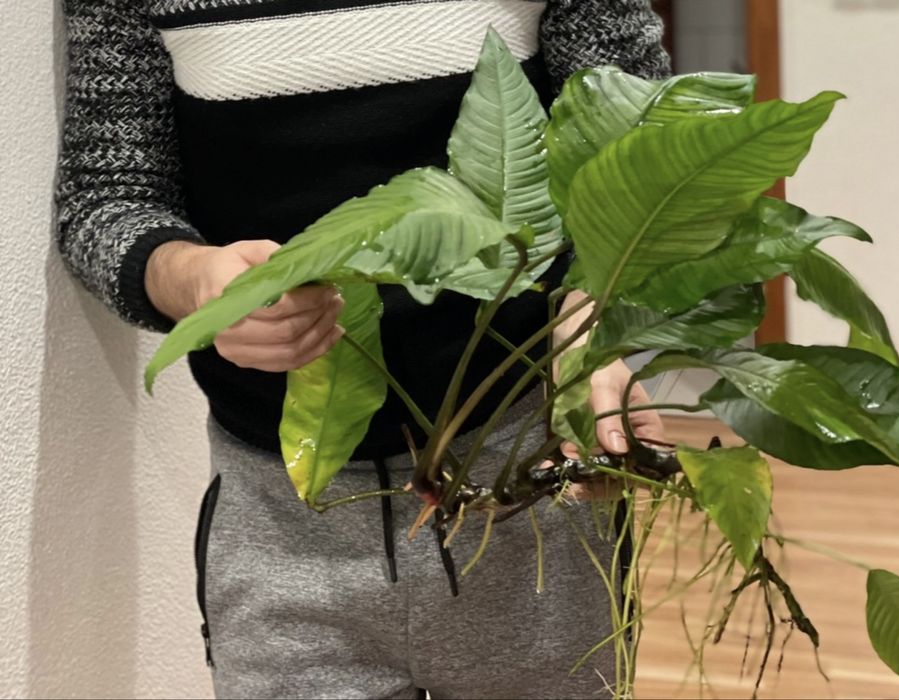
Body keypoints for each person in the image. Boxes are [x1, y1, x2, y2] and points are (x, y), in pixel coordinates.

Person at [56, 1, 670, 697]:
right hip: (278, 508)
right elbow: (105, 197)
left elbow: (637, 137)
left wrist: (591, 306)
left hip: (525, 477)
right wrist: (194, 281)